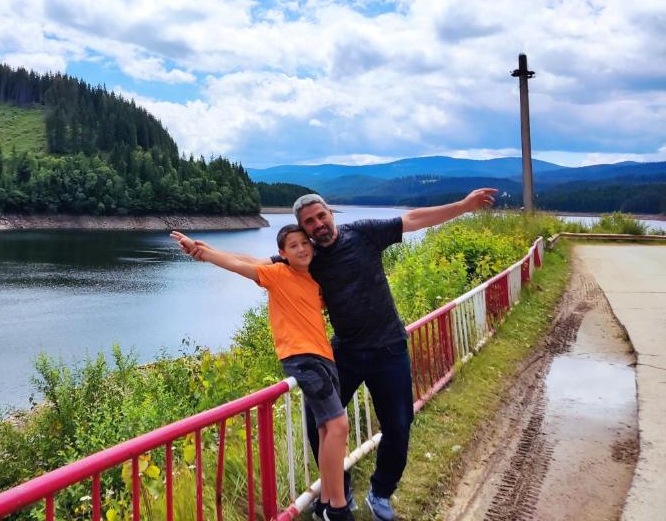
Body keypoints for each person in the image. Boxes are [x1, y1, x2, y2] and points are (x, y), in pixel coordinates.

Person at [188, 188, 497, 521]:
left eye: (321, 216)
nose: (318, 224)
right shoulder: (307, 256)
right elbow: (259, 264)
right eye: (309, 223)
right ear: (303, 230)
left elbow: (413, 219)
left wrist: (464, 206)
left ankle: (380, 493)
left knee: (399, 423)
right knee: (317, 422)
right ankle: (340, 491)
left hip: (388, 347)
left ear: (331, 213)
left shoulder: (363, 233)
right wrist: (207, 250)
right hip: (344, 352)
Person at [171, 225, 354, 521]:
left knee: (326, 430)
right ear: (282, 254)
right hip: (301, 359)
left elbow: (247, 255)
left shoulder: (314, 280)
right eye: (292, 246)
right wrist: (203, 253)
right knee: (340, 426)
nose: (301, 249)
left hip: (324, 356)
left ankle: (327, 502)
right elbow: (241, 265)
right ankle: (338, 507)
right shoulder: (277, 275)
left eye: (304, 243)